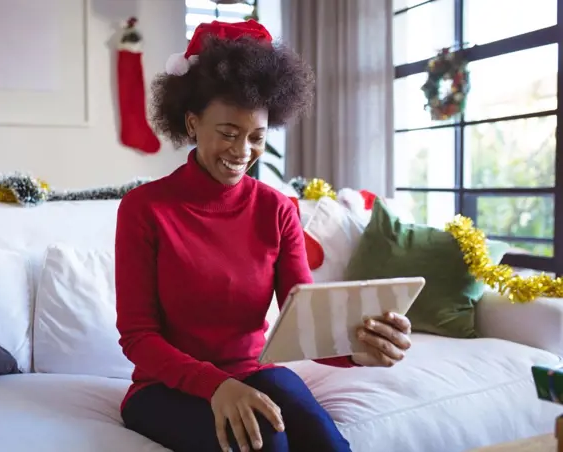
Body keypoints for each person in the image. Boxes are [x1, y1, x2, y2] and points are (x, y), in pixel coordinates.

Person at [115, 20, 412, 452]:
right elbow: (139, 337)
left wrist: (358, 350)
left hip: (253, 371)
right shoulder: (145, 209)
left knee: (328, 444)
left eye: (256, 137)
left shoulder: (276, 209)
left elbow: (303, 320)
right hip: (164, 387)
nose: (242, 152)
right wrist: (216, 386)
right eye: (228, 134)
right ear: (192, 123)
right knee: (264, 442)